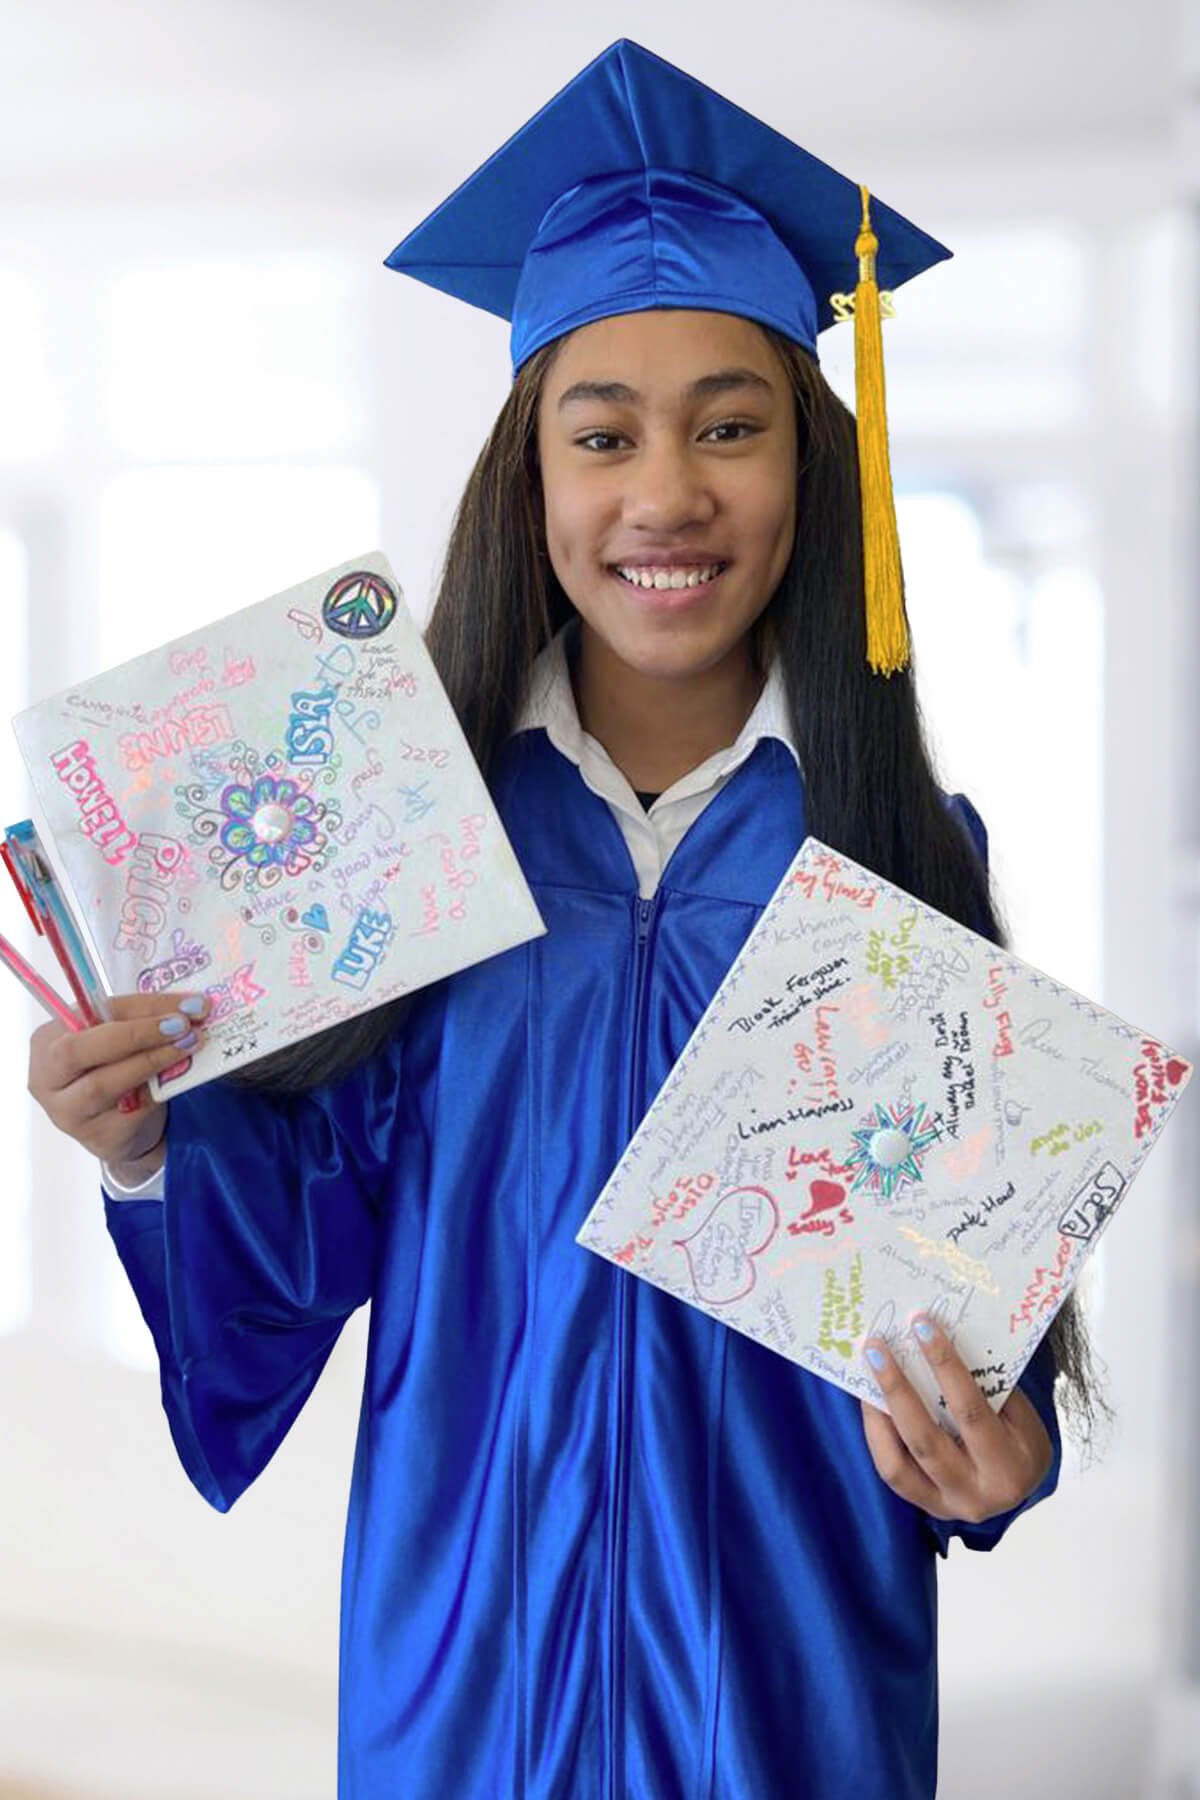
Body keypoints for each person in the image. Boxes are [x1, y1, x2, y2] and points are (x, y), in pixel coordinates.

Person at [27, 38, 1106, 1800]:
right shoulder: (407, 844)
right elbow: (294, 1246)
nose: (664, 493)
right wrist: (145, 1146)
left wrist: (1004, 1464)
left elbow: (957, 1320)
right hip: (472, 1684)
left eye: (730, 426)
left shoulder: (904, 853)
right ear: (531, 476)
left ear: (810, 470)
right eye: (601, 433)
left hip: (787, 1694)